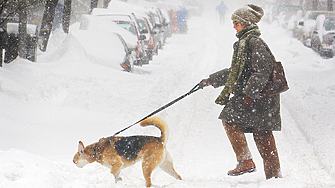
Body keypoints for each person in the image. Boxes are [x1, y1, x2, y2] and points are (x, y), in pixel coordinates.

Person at [200, 4, 282, 180]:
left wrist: (249, 93)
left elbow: (263, 70)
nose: (234, 26)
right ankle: (274, 178)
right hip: (260, 97)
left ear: (246, 23)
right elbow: (238, 71)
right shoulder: (245, 42)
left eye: (236, 23)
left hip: (261, 97)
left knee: (230, 119)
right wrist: (212, 80)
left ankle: (246, 161)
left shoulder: (254, 42)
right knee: (263, 136)